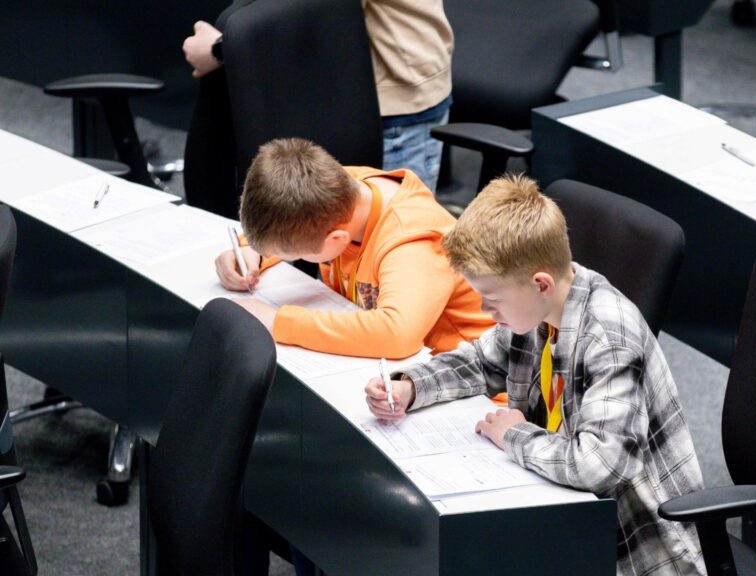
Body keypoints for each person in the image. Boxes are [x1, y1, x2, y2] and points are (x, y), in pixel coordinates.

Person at [365, 174, 707, 575]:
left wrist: (514, 434)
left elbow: (602, 465)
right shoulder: (539, 308)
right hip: (558, 506)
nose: (486, 312)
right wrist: (411, 386)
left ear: (540, 282)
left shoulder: (609, 337)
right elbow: (481, 361)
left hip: (633, 546)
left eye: (492, 300)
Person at [215, 137, 492, 358]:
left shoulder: (412, 241)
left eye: (297, 255)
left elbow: (397, 335)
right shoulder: (336, 190)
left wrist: (278, 322)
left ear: (336, 239)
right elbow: (288, 219)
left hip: (471, 378)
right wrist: (250, 252)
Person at [182, 0, 453, 218]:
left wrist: (221, 49)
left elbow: (304, 10)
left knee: (388, 243)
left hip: (395, 107)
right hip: (345, 83)